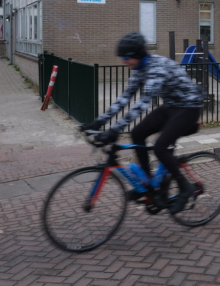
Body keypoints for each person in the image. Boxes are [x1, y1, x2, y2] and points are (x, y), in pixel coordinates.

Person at [81, 32, 204, 214]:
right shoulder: (139, 69)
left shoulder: (157, 67)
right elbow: (125, 98)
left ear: (137, 55)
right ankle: (147, 185)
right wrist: (99, 122)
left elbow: (142, 103)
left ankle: (185, 187)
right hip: (172, 106)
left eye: (126, 57)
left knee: (160, 147)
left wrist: (115, 129)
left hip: (189, 108)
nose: (124, 61)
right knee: (137, 133)